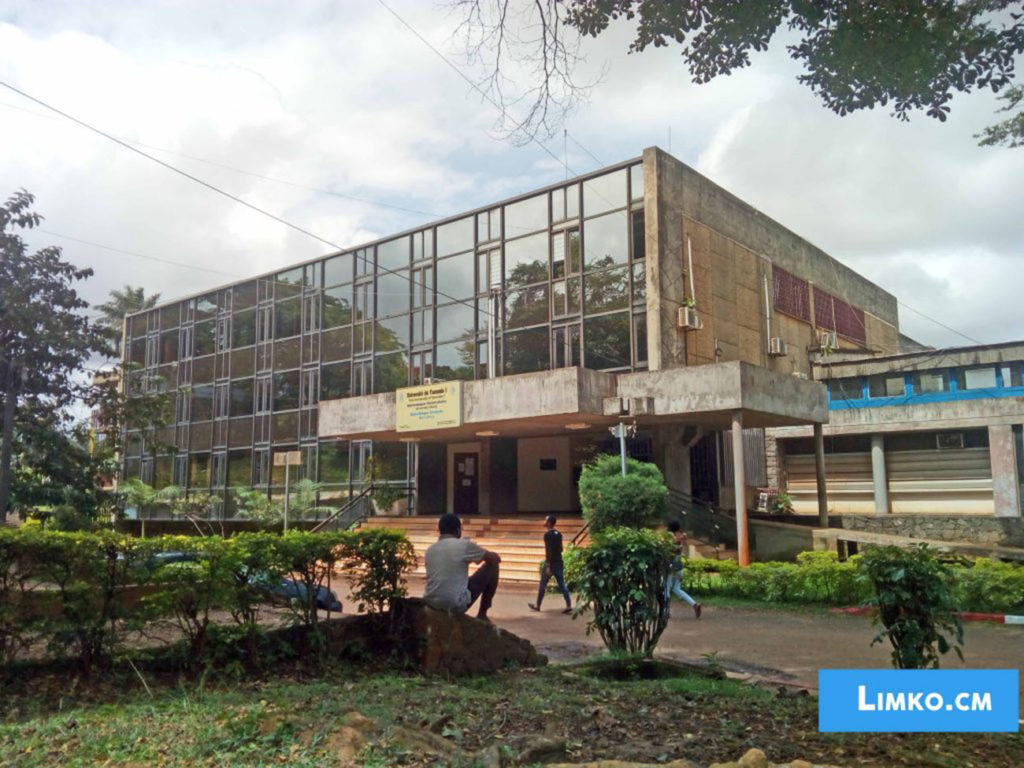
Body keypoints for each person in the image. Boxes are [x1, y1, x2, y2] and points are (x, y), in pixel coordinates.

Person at [423, 513, 501, 622]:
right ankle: (482, 614)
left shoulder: (430, 550)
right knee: (493, 565)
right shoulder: (464, 545)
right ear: (458, 530)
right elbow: (494, 558)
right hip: (454, 604)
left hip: (431, 603)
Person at [528, 515, 572, 614]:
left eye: (546, 520)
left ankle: (537, 605)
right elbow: (560, 549)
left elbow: (549, 551)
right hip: (559, 561)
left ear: (549, 523)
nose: (544, 521)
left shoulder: (547, 535)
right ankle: (568, 604)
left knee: (543, 584)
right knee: (562, 584)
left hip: (551, 563)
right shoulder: (559, 534)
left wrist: (548, 565)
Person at [665, 520, 702, 619]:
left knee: (666, 588)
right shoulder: (681, 536)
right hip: (678, 565)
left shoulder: (671, 536)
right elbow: (678, 541)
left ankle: (666, 611)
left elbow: (673, 541)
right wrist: (683, 536)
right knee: (676, 589)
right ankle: (694, 604)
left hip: (671, 565)